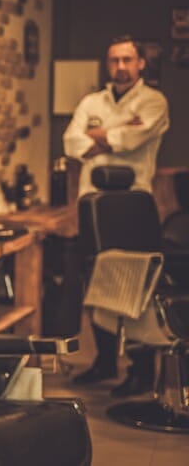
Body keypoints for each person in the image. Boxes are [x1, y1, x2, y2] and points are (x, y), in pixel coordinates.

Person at [64, 34, 169, 397]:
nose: (120, 67)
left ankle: (141, 370)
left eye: (127, 60)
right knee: (97, 284)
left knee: (136, 287)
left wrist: (98, 137)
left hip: (133, 209)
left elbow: (133, 140)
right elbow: (71, 142)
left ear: (141, 63)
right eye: (114, 60)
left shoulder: (154, 102)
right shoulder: (92, 101)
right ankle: (105, 361)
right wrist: (114, 135)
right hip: (93, 208)